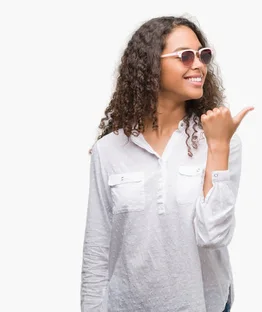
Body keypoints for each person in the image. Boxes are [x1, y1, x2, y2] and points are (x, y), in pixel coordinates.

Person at [80, 15, 252, 312]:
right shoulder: (109, 150)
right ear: (149, 66)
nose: (198, 65)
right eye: (185, 56)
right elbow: (98, 247)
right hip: (127, 305)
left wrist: (219, 146)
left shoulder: (220, 140)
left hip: (202, 303)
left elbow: (213, 236)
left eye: (203, 55)